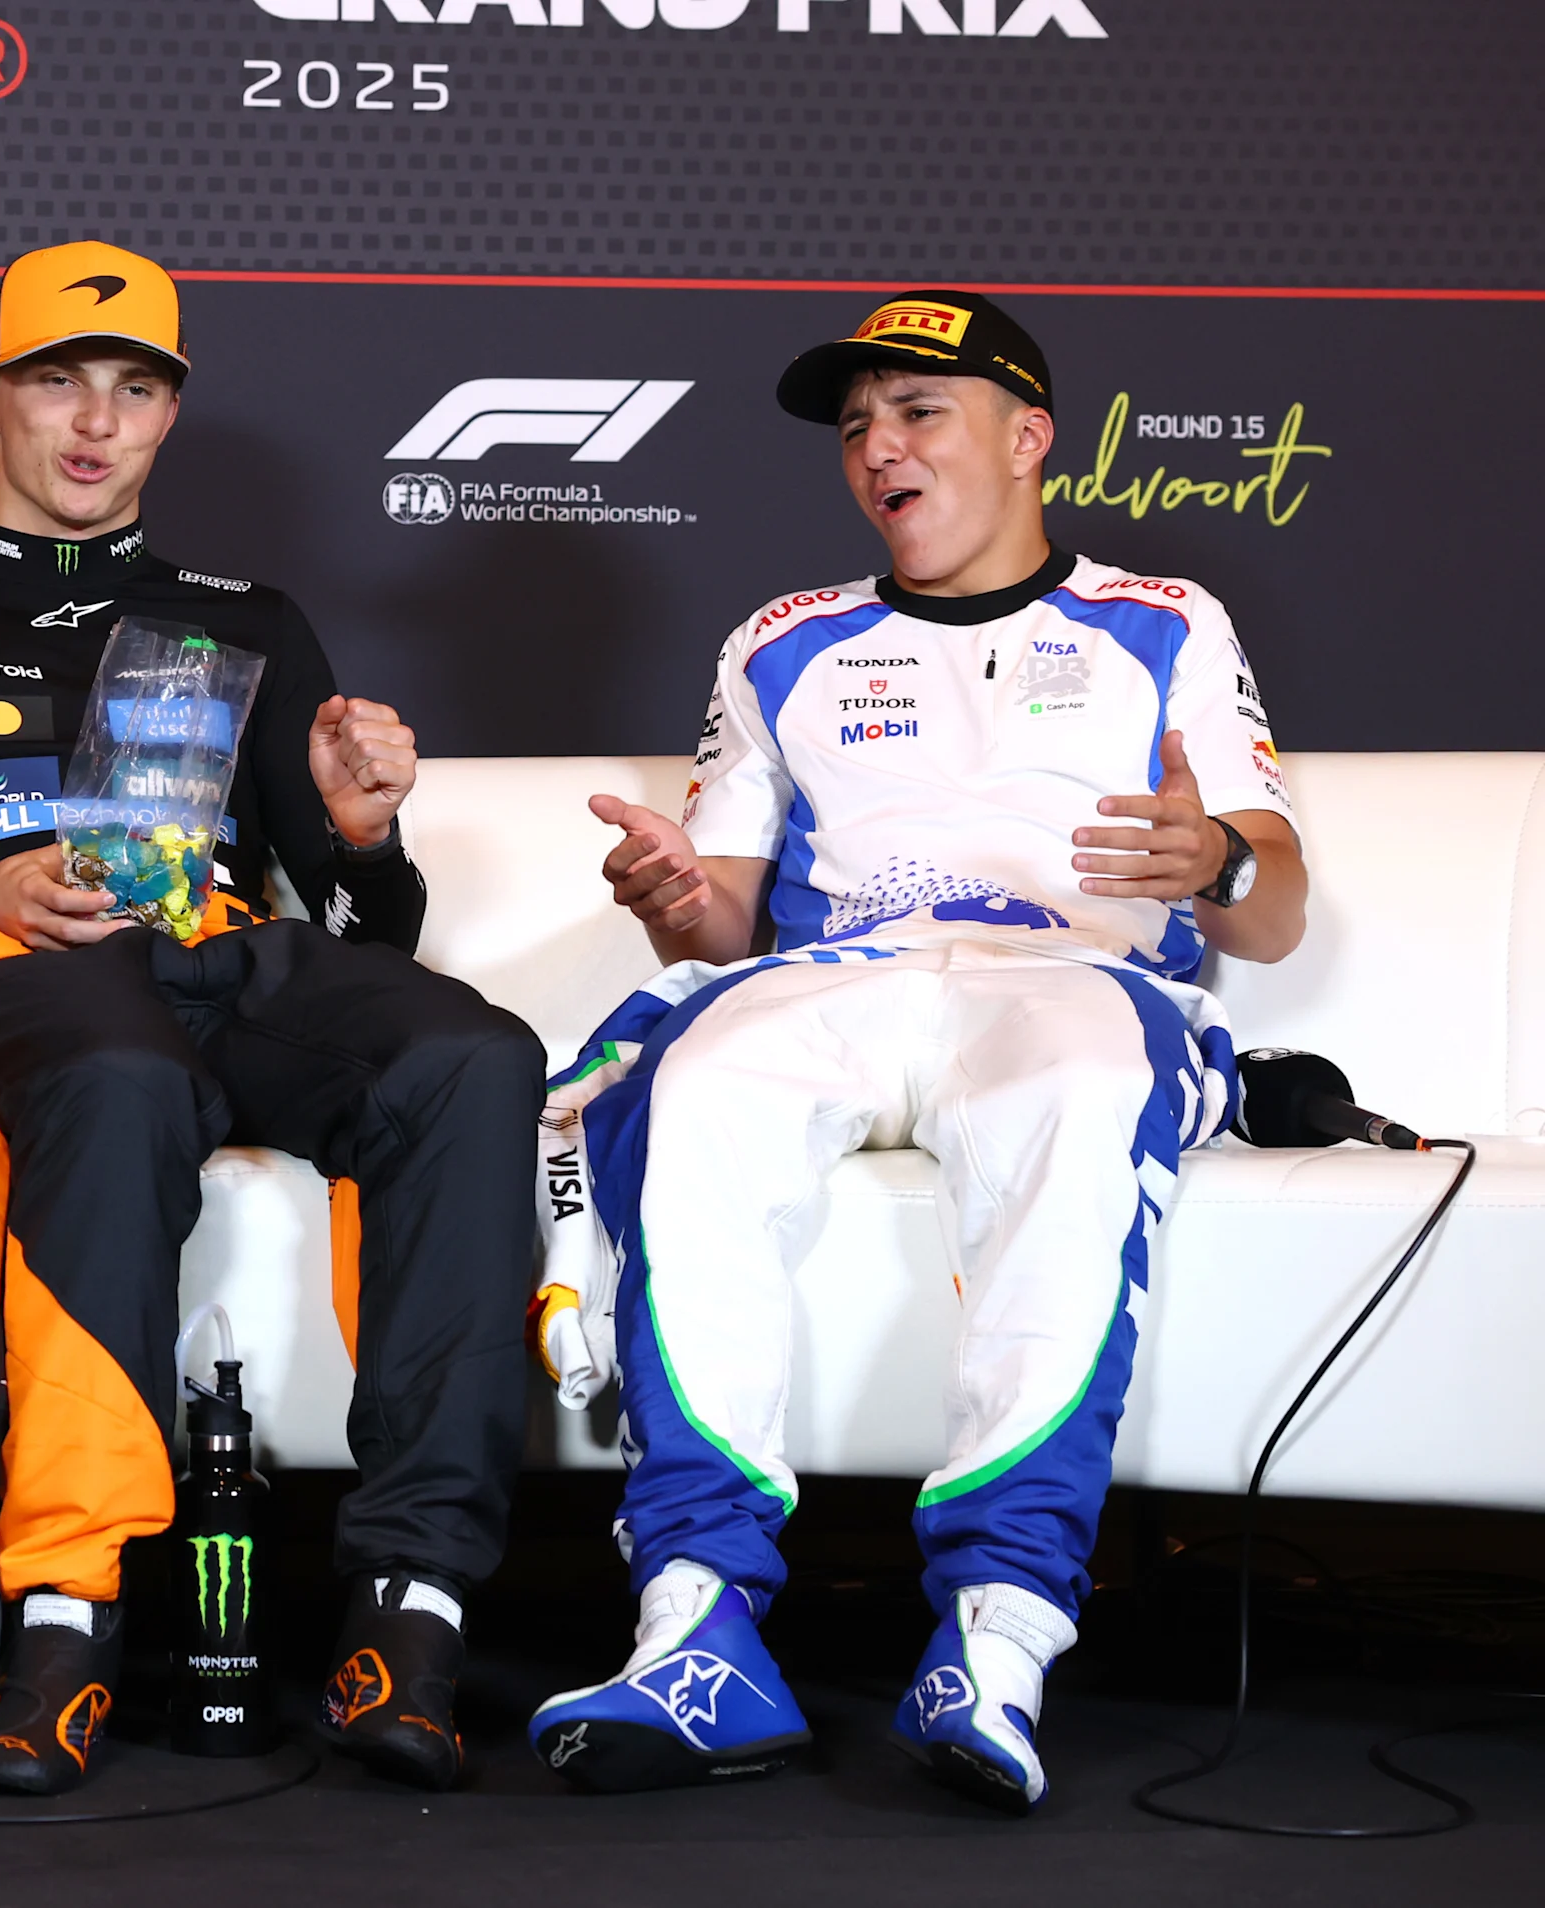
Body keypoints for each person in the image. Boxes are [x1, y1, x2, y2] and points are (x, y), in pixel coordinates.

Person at [0, 242, 545, 1796]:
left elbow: (360, 932)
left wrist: (363, 833)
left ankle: (417, 1608)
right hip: (15, 986)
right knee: (116, 1072)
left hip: (228, 966)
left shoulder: (245, 618)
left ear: (170, 418)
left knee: (472, 1051)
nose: (93, 423)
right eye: (56, 381)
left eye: (133, 389)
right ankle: (63, 1618)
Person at [525, 290, 1306, 1813]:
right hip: (842, 973)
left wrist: (1213, 854)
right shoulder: (782, 643)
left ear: (1027, 440)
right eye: (857, 424)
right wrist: (677, 895)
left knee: (1079, 1093)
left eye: (919, 412)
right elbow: (726, 928)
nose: (879, 445)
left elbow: (1272, 909)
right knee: (694, 1086)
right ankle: (696, 1629)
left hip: (1069, 972)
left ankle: (999, 1637)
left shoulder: (1166, 618)